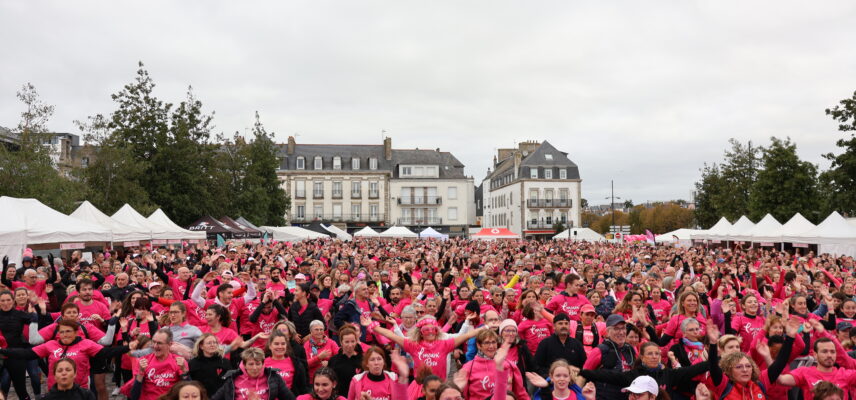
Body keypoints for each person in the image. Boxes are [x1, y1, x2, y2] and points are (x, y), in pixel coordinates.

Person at [365, 314, 484, 379]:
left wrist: (487, 327)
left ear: (437, 331)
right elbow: (392, 335)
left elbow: (466, 335)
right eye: (426, 330)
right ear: (420, 332)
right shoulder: (413, 345)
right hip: (420, 387)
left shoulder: (445, 344)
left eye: (433, 329)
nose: (430, 332)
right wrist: (372, 325)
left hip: (439, 387)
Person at [453, 329, 529, 400]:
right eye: (487, 343)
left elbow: (521, 393)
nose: (491, 346)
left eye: (493, 342)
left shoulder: (509, 365)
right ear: (479, 345)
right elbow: (464, 396)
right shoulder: (468, 367)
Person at [213, 347, 296, 400]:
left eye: (258, 364)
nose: (255, 368)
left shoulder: (273, 377)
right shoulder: (233, 378)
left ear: (263, 364)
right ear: (244, 365)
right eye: (251, 364)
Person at [129, 328, 189, 400]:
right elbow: (134, 396)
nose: (155, 346)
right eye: (153, 342)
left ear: (170, 344)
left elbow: (189, 389)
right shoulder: (144, 361)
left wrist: (184, 371)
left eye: (159, 343)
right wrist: (140, 372)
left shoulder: (178, 361)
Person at [188, 333, 233, 397]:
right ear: (201, 346)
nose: (212, 345)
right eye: (209, 343)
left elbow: (230, 383)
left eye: (214, 343)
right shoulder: (193, 363)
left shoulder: (225, 362)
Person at [526, 359, 597, 400]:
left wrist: (591, 399)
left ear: (569, 377)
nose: (562, 379)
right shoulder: (543, 397)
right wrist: (545, 387)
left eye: (565, 376)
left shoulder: (579, 396)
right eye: (558, 376)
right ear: (551, 377)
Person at [266, 330, 310, 395]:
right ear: (270, 346)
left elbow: (302, 389)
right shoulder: (262, 363)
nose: (280, 347)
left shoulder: (296, 364)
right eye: (276, 344)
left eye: (283, 344)